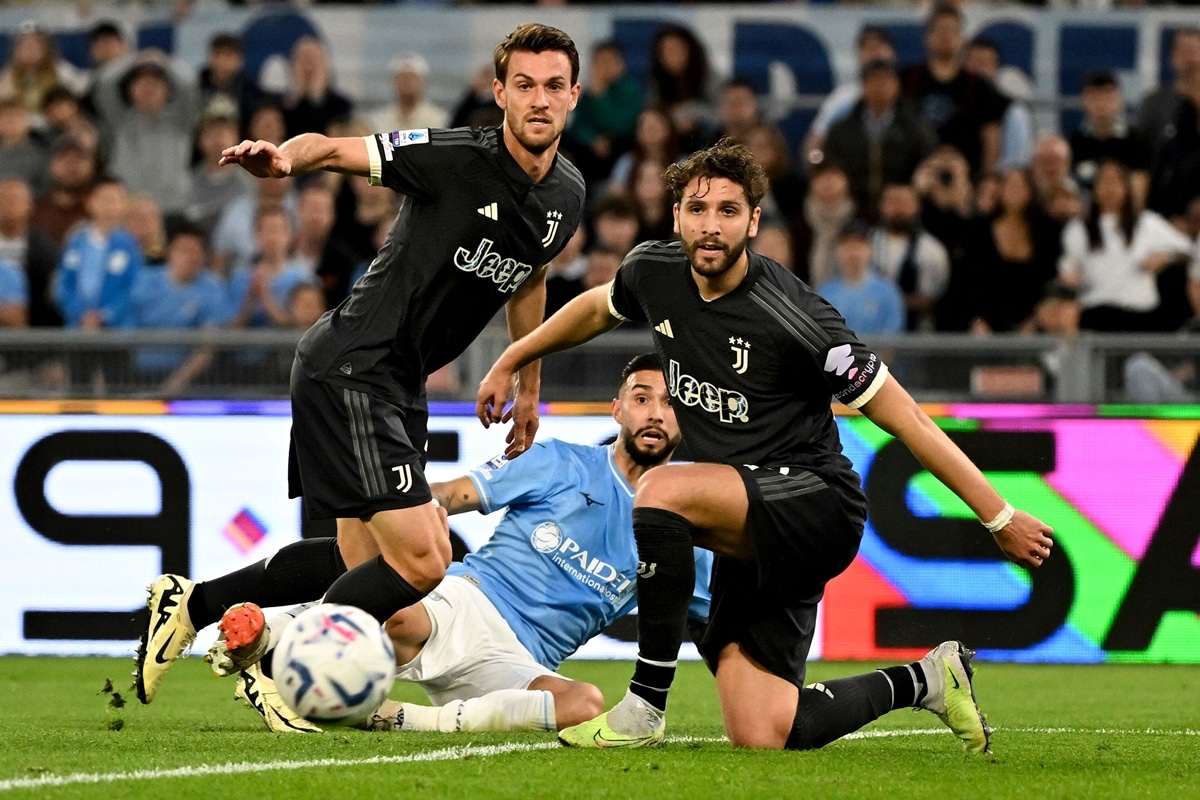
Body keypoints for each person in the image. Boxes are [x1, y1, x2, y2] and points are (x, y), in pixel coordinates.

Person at [477, 139, 1055, 752]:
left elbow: (907, 417)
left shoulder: (798, 318)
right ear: (675, 216)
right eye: (697, 209)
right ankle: (929, 679)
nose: (710, 225)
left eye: (729, 211)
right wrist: (516, 355)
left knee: (661, 489)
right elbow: (599, 306)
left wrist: (999, 516)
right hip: (744, 518)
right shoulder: (654, 271)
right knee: (765, 730)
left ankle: (643, 707)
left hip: (816, 504)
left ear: (754, 221)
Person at [134, 23, 586, 706]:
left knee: (358, 564)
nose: (539, 99)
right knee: (428, 557)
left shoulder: (568, 195)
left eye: (554, 85)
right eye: (524, 84)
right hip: (355, 366)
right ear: (499, 92)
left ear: (574, 95)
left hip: (394, 381)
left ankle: (195, 606)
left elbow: (531, 277)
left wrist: (529, 385)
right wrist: (284, 160)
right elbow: (333, 148)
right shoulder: (452, 157)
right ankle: (278, 668)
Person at [216, 354, 710, 734]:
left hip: (521, 659)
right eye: (642, 398)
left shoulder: (688, 526)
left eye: (670, 404)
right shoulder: (562, 461)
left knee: (584, 705)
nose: (655, 414)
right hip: (469, 599)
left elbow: (718, 616)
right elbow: (452, 494)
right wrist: (408, 508)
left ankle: (395, 717)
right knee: (396, 612)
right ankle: (270, 636)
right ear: (618, 408)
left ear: (688, 417)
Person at [818, 219, 905, 335]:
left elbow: (893, 336)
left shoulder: (888, 292)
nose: (853, 254)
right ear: (838, 251)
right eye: (847, 247)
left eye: (858, 246)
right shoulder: (826, 293)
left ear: (870, 249)